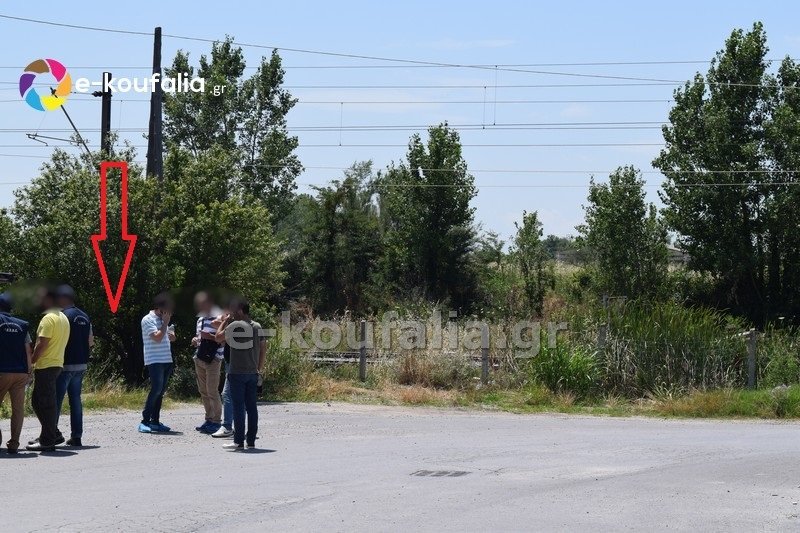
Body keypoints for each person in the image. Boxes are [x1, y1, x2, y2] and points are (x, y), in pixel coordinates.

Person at [215, 299, 266, 451]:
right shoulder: (257, 326)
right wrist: (258, 368)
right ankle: (250, 441)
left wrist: (224, 321)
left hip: (237, 372)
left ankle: (238, 441)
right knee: (251, 408)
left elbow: (218, 337)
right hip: (252, 373)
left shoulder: (234, 326)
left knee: (238, 407)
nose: (232, 313)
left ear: (241, 310)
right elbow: (263, 348)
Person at [27, 287, 70, 452]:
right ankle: (53, 433)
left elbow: (41, 344)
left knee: (45, 403)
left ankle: (47, 440)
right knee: (38, 401)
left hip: (46, 364)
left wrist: (31, 361)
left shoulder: (48, 319)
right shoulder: (63, 318)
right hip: (57, 362)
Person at [54, 285, 93, 447]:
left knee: (55, 401)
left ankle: (50, 434)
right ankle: (76, 436)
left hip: (65, 364)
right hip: (81, 364)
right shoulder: (85, 316)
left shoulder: (63, 316)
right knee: (75, 401)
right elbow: (91, 341)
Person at [0, 292, 33, 454]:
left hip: (2, 372)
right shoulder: (22, 325)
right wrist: (29, 371)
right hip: (20, 373)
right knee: (18, 410)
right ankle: (14, 443)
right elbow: (28, 351)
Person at [139, 293, 176, 433]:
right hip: (154, 360)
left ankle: (155, 421)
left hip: (167, 359)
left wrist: (171, 334)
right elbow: (157, 338)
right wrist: (165, 323)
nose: (168, 312)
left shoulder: (164, 319)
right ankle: (144, 421)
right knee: (155, 390)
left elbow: (171, 338)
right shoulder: (147, 319)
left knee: (161, 392)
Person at [191, 292, 223, 434]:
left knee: (212, 390)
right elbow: (199, 337)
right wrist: (195, 339)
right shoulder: (200, 319)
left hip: (214, 359)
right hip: (200, 357)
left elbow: (223, 339)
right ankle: (208, 419)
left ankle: (216, 421)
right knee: (203, 391)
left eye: (202, 303)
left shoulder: (220, 318)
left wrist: (208, 336)